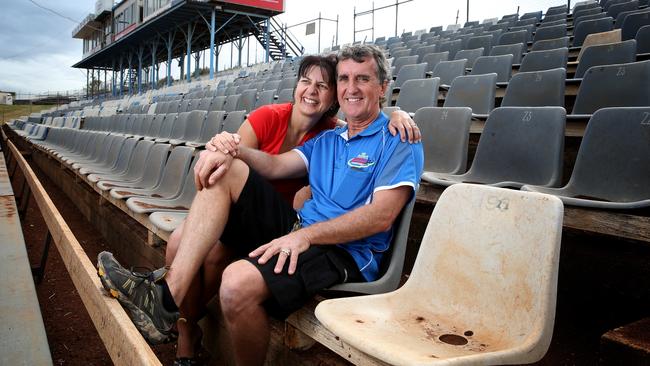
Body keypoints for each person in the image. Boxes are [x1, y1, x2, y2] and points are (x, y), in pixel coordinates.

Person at [97, 44, 424, 366]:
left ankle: (169, 303)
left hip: (346, 251)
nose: (351, 88)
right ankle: (165, 298)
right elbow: (272, 166)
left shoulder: (399, 138)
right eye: (344, 79)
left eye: (363, 79)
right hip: (299, 229)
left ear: (382, 87)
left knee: (236, 283)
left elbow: (382, 216)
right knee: (228, 169)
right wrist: (229, 148)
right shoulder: (327, 140)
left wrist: (306, 237)